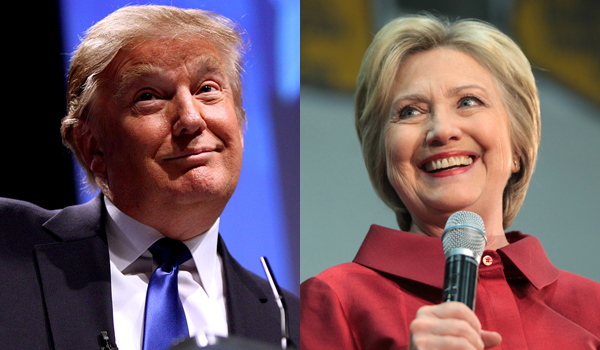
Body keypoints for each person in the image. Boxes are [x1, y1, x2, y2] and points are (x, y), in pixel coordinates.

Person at [0, 5, 299, 350]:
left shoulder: (292, 321)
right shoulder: (9, 249)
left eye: (207, 88)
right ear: (92, 146)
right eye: (149, 97)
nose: (191, 118)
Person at [301, 14, 600, 349]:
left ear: (517, 145)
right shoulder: (336, 301)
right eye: (410, 111)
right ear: (382, 156)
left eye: (468, 102)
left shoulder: (592, 309)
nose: (442, 130)